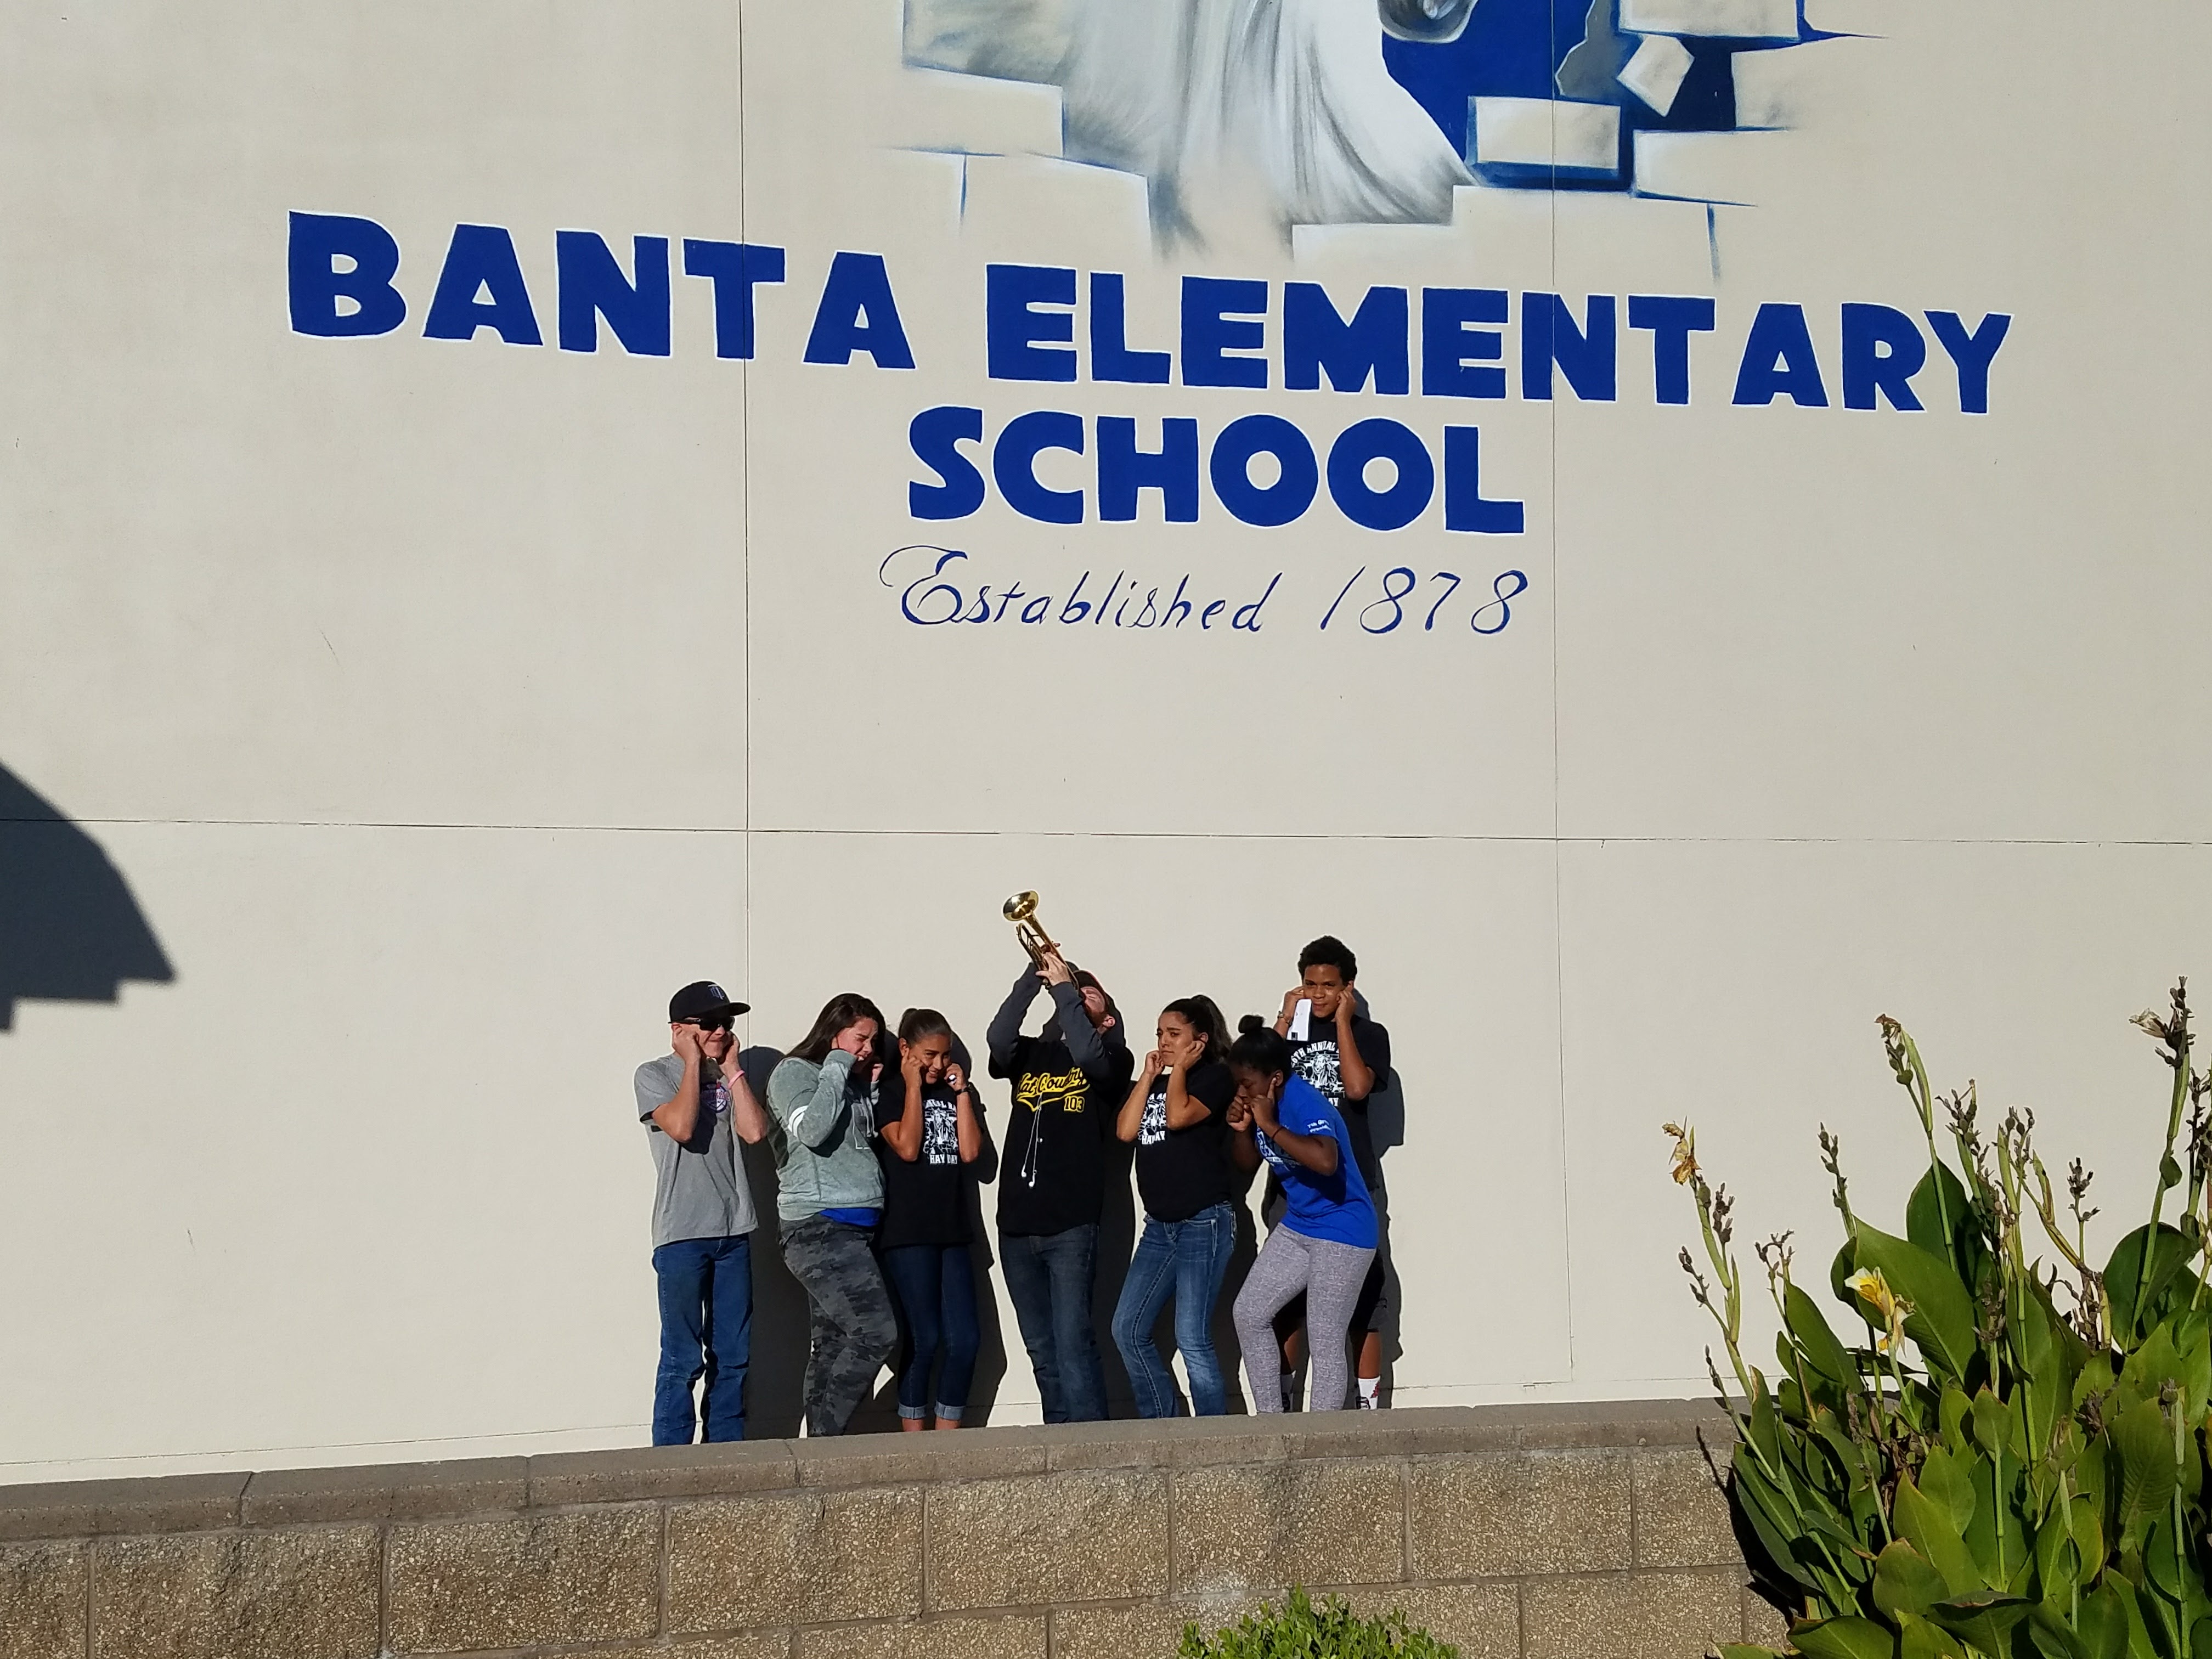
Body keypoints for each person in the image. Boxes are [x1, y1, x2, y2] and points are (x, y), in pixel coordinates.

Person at [986, 946, 1134, 1423]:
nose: (1076, 992)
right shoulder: (1035, 1054)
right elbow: (998, 1038)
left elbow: (1088, 1053)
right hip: (1016, 1224)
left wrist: (1070, 991)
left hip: (1070, 1225)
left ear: (1107, 1018)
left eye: (1090, 992)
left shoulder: (1112, 1055)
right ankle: (1057, 1440)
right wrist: (1034, 980)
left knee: (1073, 1345)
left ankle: (1092, 1451)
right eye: (1073, 988)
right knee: (1042, 1350)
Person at [634, 980, 773, 1444]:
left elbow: (755, 1133)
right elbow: (682, 1126)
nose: (720, 1031)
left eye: (727, 1023)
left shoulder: (728, 1075)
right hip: (682, 1236)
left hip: (734, 1232)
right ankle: (671, 1462)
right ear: (680, 1030)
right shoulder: (652, 1074)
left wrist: (732, 1070)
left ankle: (726, 1455)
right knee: (681, 1358)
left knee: (732, 1355)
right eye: (709, 1023)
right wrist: (694, 1063)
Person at [1226, 1015, 1378, 1415]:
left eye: (1248, 1083)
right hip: (1299, 1225)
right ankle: (1272, 1425)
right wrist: (1244, 1129)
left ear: (1275, 1078)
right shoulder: (1260, 1106)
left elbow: (1326, 1161)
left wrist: (1270, 1126)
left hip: (1343, 1229)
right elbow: (1246, 1165)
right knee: (1249, 1313)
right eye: (1237, 1083)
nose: (1242, 1091)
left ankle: (1320, 1442)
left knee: (1326, 1336)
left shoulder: (1303, 1102)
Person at [766, 994, 900, 1437]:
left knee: (832, 1344)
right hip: (819, 1227)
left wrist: (870, 1088)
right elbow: (812, 1130)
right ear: (833, 1031)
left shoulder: (850, 1081)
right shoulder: (795, 1073)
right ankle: (829, 1440)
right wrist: (839, 1067)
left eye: (873, 1041)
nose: (867, 1048)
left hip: (853, 1231)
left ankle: (821, 1447)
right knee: (876, 1334)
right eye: (860, 1039)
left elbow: (852, 1147)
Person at [1269, 935, 1394, 1408]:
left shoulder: (1369, 1032)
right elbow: (1260, 1075)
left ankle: (1364, 1406)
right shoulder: (1291, 1033)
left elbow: (1359, 1089)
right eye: (1309, 984)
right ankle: (1284, 1402)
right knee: (1289, 1303)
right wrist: (1284, 1018)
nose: (1318, 994)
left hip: (1350, 1187)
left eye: (1328, 986)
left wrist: (1344, 1022)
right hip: (1295, 1188)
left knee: (1364, 1303)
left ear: (1348, 987)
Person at [1110, 995, 1238, 1417]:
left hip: (1204, 1221)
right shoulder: (1158, 1081)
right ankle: (1162, 1426)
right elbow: (1126, 1131)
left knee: (1191, 1336)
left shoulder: (1215, 1078)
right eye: (1160, 1034)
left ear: (1199, 1041)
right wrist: (1149, 1077)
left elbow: (1178, 1117)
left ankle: (1212, 1438)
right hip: (1160, 1227)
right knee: (1127, 1329)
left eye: (1174, 1035)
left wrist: (1181, 1069)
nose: (1164, 1042)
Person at [874, 1008, 988, 1431]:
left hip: (953, 1229)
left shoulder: (954, 1093)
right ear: (906, 1050)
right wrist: (911, 1085)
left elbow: (972, 1153)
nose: (939, 1064)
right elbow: (906, 1147)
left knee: (966, 1341)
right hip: (908, 1234)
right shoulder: (888, 1093)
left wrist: (962, 1095)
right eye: (930, 1055)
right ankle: (915, 1444)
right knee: (925, 1340)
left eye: (945, 1056)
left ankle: (947, 1441)